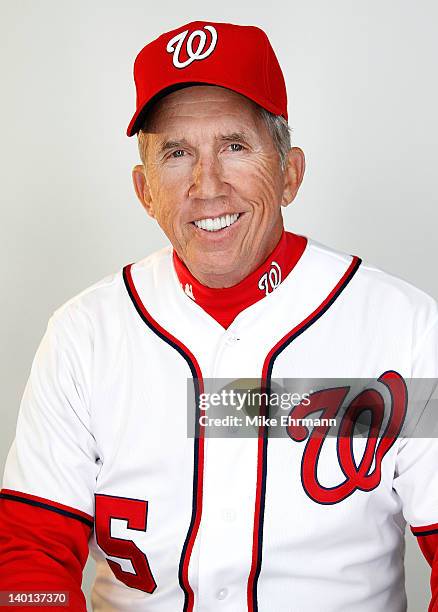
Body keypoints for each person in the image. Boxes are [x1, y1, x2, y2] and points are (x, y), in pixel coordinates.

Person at [1, 19, 437, 612]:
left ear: (290, 172)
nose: (208, 186)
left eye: (235, 146)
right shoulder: (85, 334)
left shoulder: (404, 327)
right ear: (144, 189)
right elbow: (30, 552)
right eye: (177, 153)